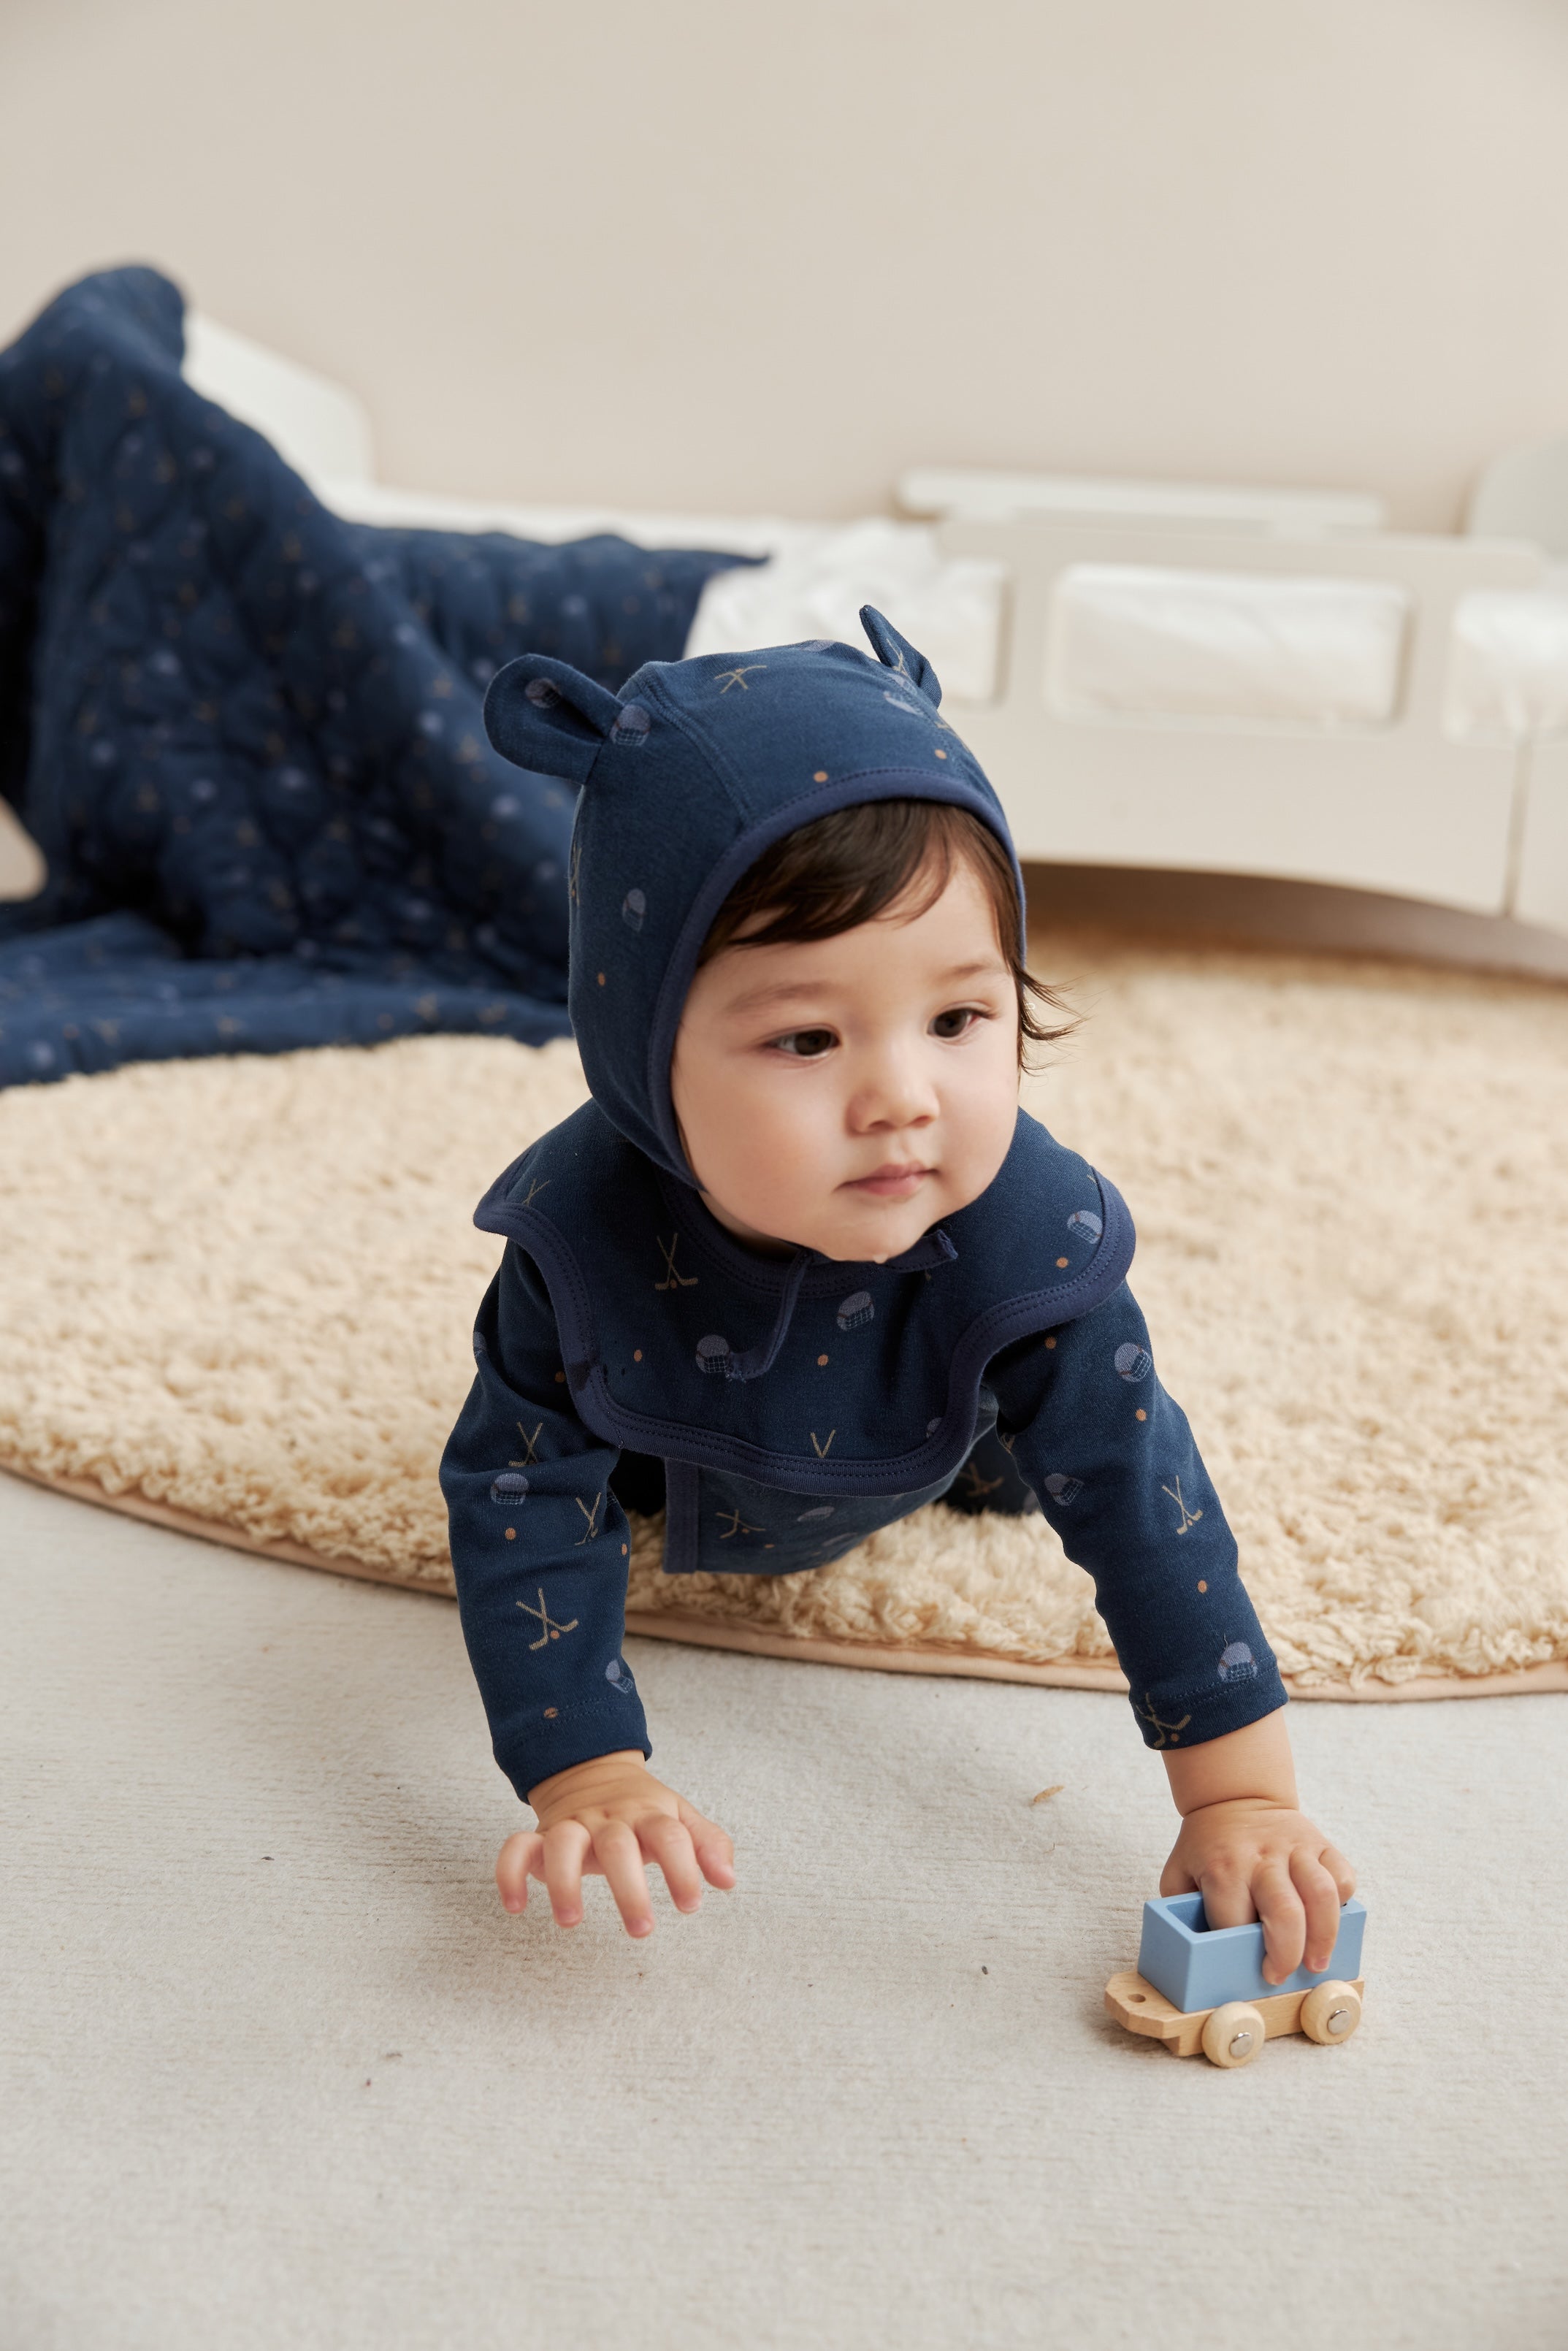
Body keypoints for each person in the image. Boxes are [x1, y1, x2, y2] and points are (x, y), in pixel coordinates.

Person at [440, 607, 1355, 1981]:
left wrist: (1244, 1799)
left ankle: (970, 1448)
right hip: (667, 1452)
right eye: (807, 1036)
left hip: (955, 1428)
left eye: (960, 1019)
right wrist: (588, 1774)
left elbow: (1143, 1501)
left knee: (1046, 1447)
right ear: (639, 1048)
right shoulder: (578, 1240)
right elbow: (516, 1502)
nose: (902, 1099)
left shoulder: (1027, 1239)